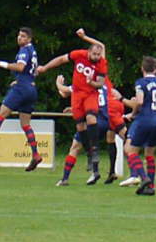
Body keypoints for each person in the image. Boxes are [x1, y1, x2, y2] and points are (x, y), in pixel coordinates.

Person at [36, 29, 108, 182]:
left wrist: (91, 82)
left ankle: (94, 154)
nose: (96, 57)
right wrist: (45, 67)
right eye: (94, 54)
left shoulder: (101, 63)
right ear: (88, 52)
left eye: (98, 55)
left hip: (90, 94)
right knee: (80, 128)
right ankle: (89, 155)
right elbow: (61, 60)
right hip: (77, 96)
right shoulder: (79, 54)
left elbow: (100, 84)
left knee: (91, 120)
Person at [0, 27, 42, 172]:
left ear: (29, 39)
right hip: (31, 89)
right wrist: (21, 81)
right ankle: (35, 154)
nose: (19, 38)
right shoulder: (33, 51)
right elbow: (32, 71)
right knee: (25, 124)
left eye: (23, 36)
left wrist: (0, 63)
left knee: (0, 115)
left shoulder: (24, 51)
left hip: (22, 89)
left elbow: (21, 67)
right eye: (19, 35)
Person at [124, 56, 156, 196]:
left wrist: (133, 113)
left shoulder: (141, 82)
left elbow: (140, 102)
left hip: (144, 120)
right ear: (155, 70)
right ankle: (151, 187)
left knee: (131, 151)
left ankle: (144, 178)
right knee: (150, 154)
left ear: (142, 69)